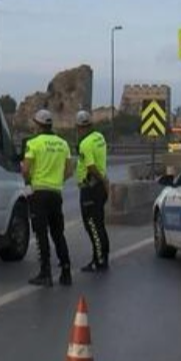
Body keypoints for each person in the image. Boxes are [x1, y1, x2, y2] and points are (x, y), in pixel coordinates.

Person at [21, 109, 74, 287]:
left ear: (38, 125)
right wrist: (58, 181)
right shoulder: (63, 144)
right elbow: (69, 170)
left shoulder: (33, 143)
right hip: (55, 193)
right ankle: (66, 271)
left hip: (39, 193)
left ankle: (45, 272)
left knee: (41, 234)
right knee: (58, 233)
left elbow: (26, 169)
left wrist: (28, 184)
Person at [75, 110, 110, 272]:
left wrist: (101, 180)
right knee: (99, 223)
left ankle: (99, 260)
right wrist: (104, 182)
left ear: (80, 127)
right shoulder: (100, 138)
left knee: (92, 225)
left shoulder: (85, 143)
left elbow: (90, 166)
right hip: (100, 187)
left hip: (90, 187)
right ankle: (103, 256)